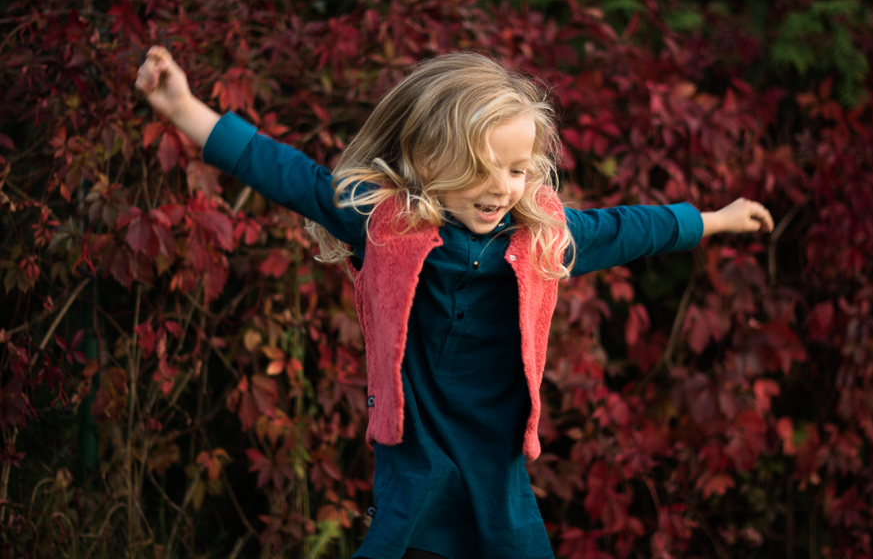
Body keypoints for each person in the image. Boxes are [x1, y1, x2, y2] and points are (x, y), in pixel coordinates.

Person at [135, 46, 773, 559]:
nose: (502, 187)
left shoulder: (542, 237)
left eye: (518, 169)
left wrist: (714, 219)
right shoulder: (384, 223)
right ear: (423, 159)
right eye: (480, 167)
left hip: (496, 458)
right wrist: (185, 107)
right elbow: (281, 171)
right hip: (417, 455)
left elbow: (632, 228)